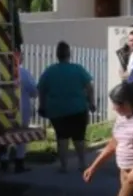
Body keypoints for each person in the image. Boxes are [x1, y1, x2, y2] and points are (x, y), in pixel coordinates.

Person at [38, 41, 96, 173]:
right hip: (78, 109)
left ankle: (63, 166)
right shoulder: (78, 69)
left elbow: (41, 89)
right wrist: (92, 102)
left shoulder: (49, 71)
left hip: (57, 110)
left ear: (57, 55)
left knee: (62, 137)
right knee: (79, 137)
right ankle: (82, 164)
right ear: (69, 54)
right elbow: (89, 87)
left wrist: (42, 105)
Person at [0, 53, 38, 173]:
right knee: (21, 136)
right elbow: (34, 92)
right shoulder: (25, 73)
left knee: (4, 134)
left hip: (3, 108)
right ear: (20, 59)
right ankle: (19, 162)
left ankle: (4, 161)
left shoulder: (0, 73)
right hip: (22, 108)